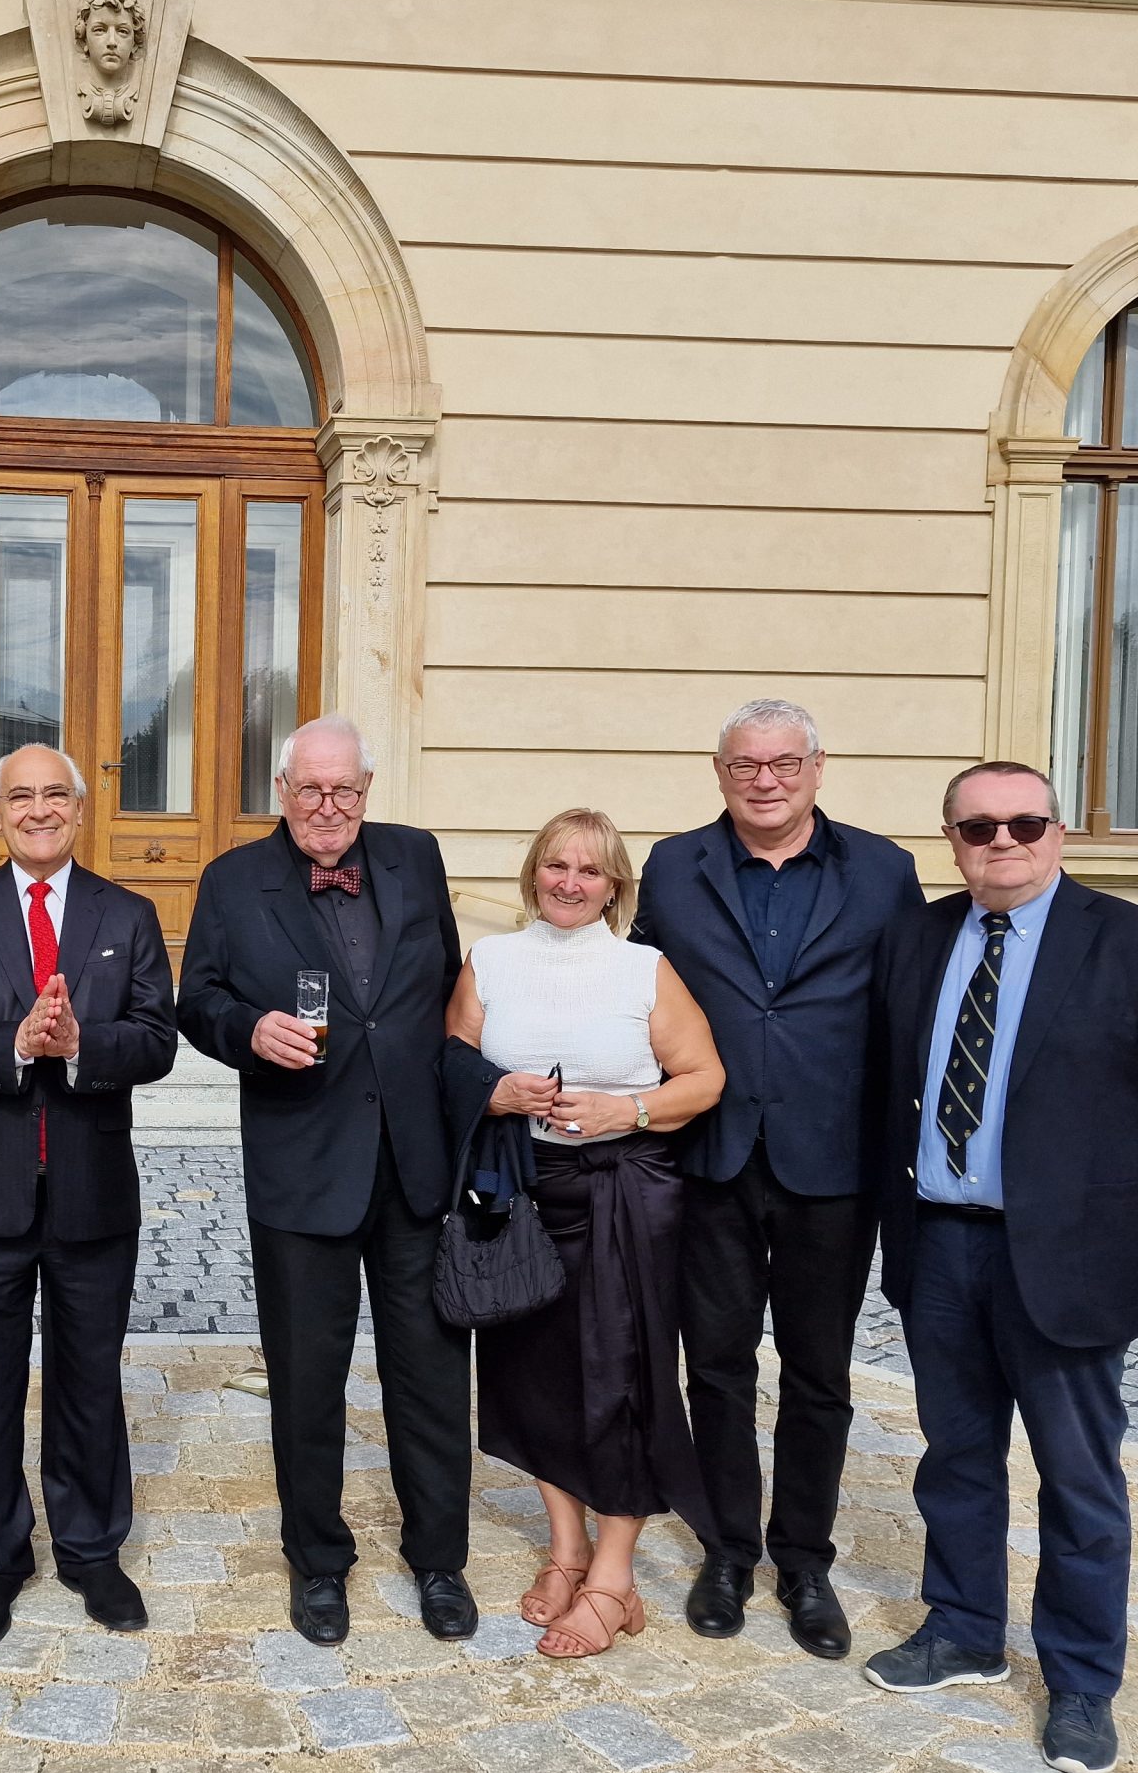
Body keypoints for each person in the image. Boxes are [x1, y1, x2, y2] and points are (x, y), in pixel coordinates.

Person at [177, 714, 476, 1648]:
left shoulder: (415, 856)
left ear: (367, 791)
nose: (328, 806)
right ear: (281, 791)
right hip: (303, 1162)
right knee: (308, 1380)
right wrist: (248, 1031)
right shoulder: (232, 880)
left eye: (345, 789)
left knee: (431, 1375)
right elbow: (197, 1001)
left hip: (415, 1162)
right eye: (310, 788)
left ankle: (440, 1560)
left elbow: (447, 988)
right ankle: (317, 1562)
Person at [630, 700, 922, 1658]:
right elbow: (638, 992)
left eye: (784, 763)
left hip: (831, 1162)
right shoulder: (674, 866)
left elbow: (910, 1006)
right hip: (710, 1155)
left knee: (819, 1372)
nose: (765, 780)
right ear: (719, 772)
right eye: (746, 765)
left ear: (816, 768)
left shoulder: (883, 870)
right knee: (715, 1365)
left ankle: (804, 1561)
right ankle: (727, 1550)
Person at [864, 761, 1138, 1773]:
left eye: (1025, 823)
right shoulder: (917, 937)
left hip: (1068, 1258)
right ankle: (964, 1629)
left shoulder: (1121, 941)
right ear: (953, 841)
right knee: (956, 1456)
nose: (1003, 843)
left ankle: (1081, 1683)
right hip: (942, 1243)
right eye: (979, 828)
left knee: (1078, 1480)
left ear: (1057, 833)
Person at [0, 744, 176, 1650]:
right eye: (19, 797)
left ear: (80, 808)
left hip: (93, 1190)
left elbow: (157, 1039)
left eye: (55, 794)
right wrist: (15, 1044)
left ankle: (92, 1551)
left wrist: (80, 1044)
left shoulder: (128, 913)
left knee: (89, 1380)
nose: (38, 809)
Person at [449, 808, 724, 1657]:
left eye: (590, 871)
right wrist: (495, 1092)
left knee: (621, 1379)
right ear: (534, 872)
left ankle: (614, 1576)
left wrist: (625, 1109)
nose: (570, 883)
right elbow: (453, 1061)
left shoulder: (644, 968)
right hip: (523, 1194)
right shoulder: (490, 960)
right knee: (531, 1376)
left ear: (614, 887)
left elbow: (705, 1078)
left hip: (624, 1194)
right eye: (557, 865)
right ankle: (566, 1550)